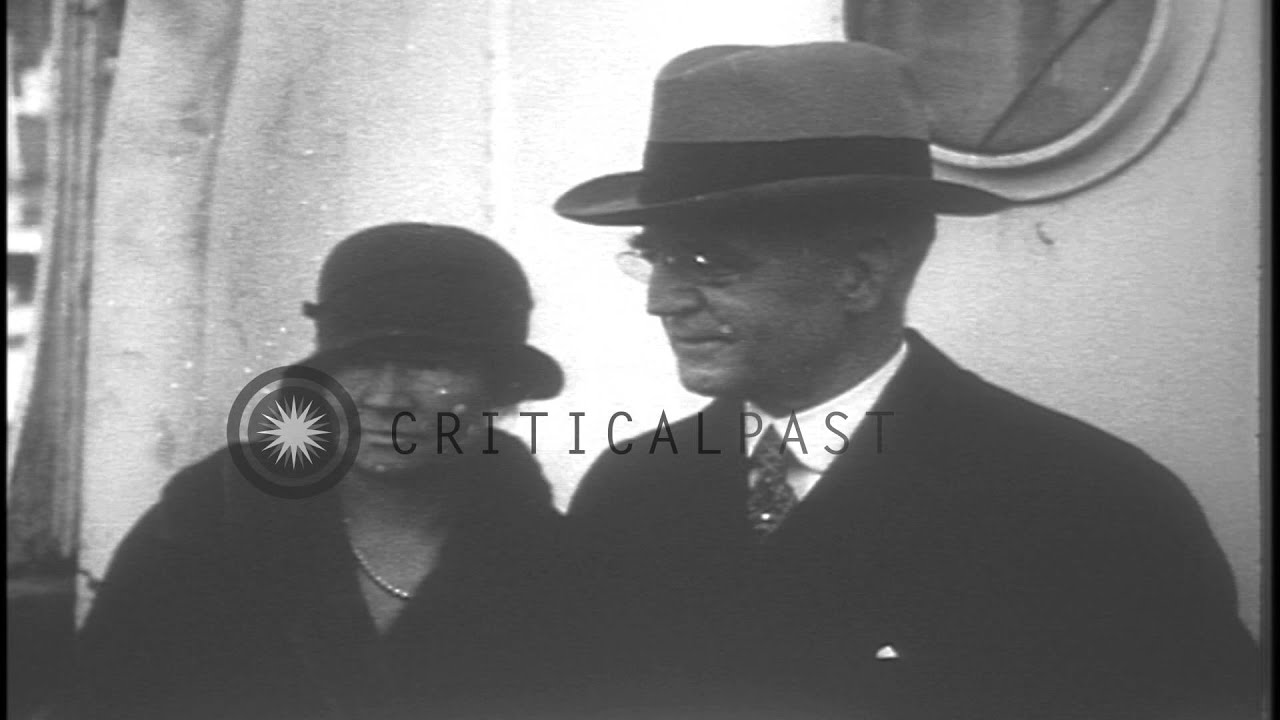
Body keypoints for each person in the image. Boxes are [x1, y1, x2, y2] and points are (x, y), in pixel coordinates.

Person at [552, 43, 1260, 719]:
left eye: (710, 261)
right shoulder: (633, 490)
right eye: (657, 257)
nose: (661, 299)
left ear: (861, 274)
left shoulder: (1092, 507)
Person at [70, 223, 571, 719]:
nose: (385, 398)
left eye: (431, 365)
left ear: (501, 391)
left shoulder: (550, 559)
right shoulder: (202, 526)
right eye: (359, 362)